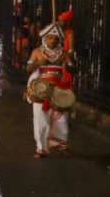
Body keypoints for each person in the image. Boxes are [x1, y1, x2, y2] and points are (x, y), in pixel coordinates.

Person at [26, 23, 75, 158]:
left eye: (56, 38)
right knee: (40, 119)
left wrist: (69, 61)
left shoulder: (64, 54)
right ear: (45, 38)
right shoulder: (37, 52)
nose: (53, 40)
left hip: (59, 89)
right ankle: (41, 148)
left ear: (59, 40)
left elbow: (73, 68)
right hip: (40, 89)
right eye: (50, 38)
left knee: (62, 119)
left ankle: (61, 143)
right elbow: (28, 69)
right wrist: (39, 63)